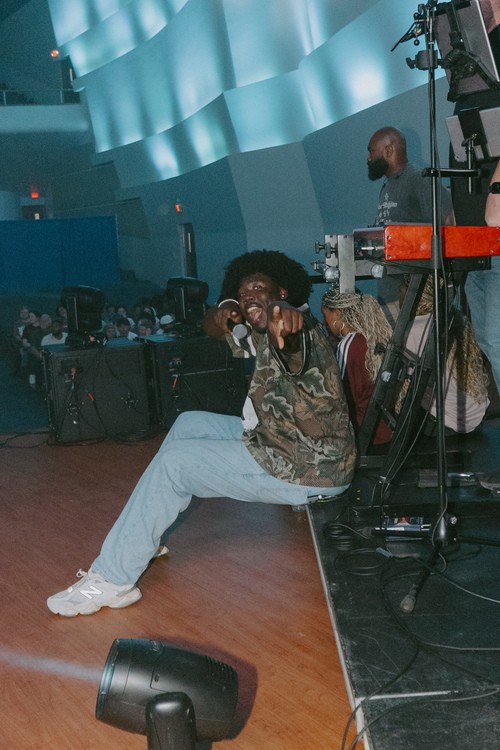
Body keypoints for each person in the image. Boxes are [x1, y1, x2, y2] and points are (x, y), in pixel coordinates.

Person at [47, 249, 357, 617]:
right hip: (283, 441)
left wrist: (281, 313)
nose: (249, 296)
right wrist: (227, 307)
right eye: (243, 293)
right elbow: (212, 327)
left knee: (176, 464)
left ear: (283, 293)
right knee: (189, 423)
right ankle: (143, 539)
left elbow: (287, 332)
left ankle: (112, 579)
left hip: (308, 469)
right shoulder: (259, 332)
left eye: (259, 288)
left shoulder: (295, 331)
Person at [367, 126, 455, 321]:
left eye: (371, 151)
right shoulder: (388, 184)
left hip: (412, 296)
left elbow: (446, 226)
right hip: (390, 292)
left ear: (389, 150)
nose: (368, 158)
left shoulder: (418, 179)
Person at [400, 275, 489, 434]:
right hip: (477, 416)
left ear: (413, 297)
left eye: (400, 292)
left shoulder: (412, 330)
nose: (398, 299)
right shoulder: (454, 318)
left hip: (449, 423)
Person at [321, 288, 393, 445]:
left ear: (337, 314)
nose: (325, 323)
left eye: (325, 316)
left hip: (364, 430)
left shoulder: (348, 344)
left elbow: (341, 396)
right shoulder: (373, 338)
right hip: (383, 427)